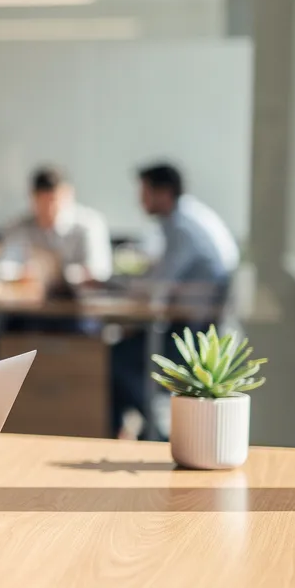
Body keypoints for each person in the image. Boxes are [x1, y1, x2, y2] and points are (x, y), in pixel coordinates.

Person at [110, 162, 239, 440]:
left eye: (144, 192)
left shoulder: (183, 227)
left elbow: (158, 284)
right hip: (191, 327)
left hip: (193, 336)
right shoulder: (186, 218)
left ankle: (160, 434)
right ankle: (148, 432)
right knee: (120, 353)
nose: (140, 199)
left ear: (164, 193)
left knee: (114, 359)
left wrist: (113, 284)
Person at [0, 165, 112, 287]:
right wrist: (22, 273)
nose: (50, 208)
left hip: (80, 301)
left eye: (55, 200)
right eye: (43, 201)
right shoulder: (18, 226)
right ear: (32, 198)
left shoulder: (89, 224)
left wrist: (51, 274)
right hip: (29, 301)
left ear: (69, 194)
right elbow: (3, 268)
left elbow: (98, 271)